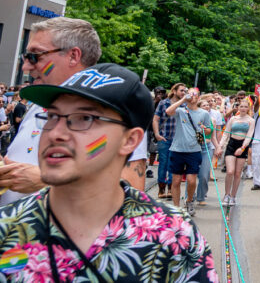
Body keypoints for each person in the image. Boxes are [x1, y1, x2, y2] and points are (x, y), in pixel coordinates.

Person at [0, 62, 218, 281]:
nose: (56, 133)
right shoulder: (7, 228)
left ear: (129, 140)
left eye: (84, 118)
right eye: (53, 116)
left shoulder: (173, 234)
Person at [0, 18, 148, 204]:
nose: (26, 66)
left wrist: (43, 181)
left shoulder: (113, 112)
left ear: (73, 56)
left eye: (35, 56)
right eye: (53, 117)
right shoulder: (37, 104)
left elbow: (132, 196)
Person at [165, 87, 213, 216]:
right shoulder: (181, 111)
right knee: (176, 181)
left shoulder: (204, 113)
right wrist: (182, 100)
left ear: (198, 98)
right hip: (177, 150)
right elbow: (168, 111)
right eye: (190, 94)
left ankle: (189, 200)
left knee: (191, 181)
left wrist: (204, 129)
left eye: (195, 94)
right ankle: (176, 207)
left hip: (194, 150)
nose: (192, 96)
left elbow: (209, 130)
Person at [217, 98, 256, 205]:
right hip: (231, 145)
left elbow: (249, 136)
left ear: (248, 108)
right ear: (238, 107)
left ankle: (233, 196)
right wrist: (220, 146)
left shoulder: (251, 120)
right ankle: (226, 195)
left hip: (242, 147)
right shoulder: (233, 119)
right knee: (230, 171)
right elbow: (226, 133)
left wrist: (243, 148)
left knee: (238, 173)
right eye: (241, 106)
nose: (243, 108)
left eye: (245, 106)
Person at [153, 83, 185, 199]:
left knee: (174, 164)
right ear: (174, 91)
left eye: (185, 91)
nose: (183, 93)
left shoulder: (184, 105)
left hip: (178, 139)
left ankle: (171, 188)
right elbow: (155, 119)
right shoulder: (163, 103)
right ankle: (161, 188)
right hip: (164, 137)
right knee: (163, 163)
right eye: (181, 90)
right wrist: (157, 134)